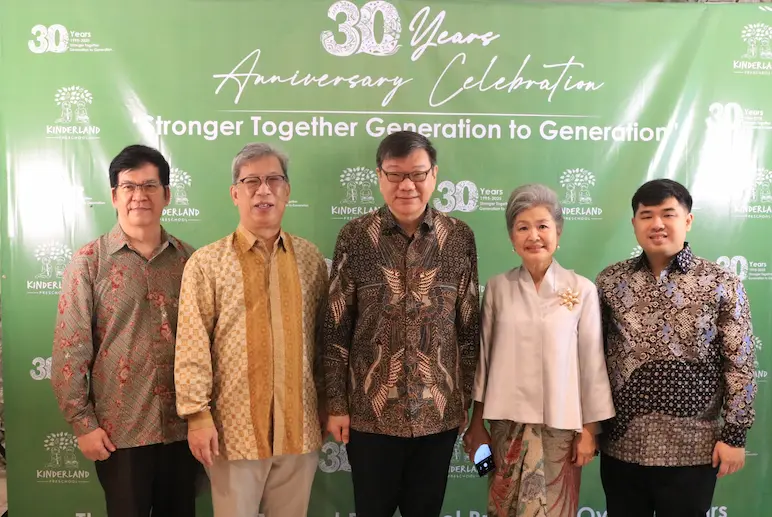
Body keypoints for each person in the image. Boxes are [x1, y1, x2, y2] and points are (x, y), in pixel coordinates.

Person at [323, 130, 481, 517]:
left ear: (434, 175)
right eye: (395, 174)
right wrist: (337, 404)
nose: (406, 185)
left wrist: (465, 401)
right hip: (369, 416)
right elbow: (336, 327)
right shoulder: (355, 237)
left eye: (417, 173)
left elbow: (468, 327)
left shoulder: (459, 237)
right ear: (379, 176)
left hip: (438, 415)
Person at [174, 143, 328, 517]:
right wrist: (197, 415)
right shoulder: (207, 263)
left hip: (299, 429)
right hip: (232, 434)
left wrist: (328, 404)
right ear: (235, 193)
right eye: (251, 181)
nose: (263, 190)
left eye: (274, 180)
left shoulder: (310, 259)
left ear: (287, 191)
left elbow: (324, 342)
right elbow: (192, 345)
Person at [51, 144, 198, 517]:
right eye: (129, 186)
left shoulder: (190, 261)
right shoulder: (89, 263)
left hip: (184, 429)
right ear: (115, 196)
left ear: (167, 194)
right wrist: (83, 424)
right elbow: (70, 351)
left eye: (150, 186)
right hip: (121, 433)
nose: (139, 196)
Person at [596, 179, 757, 517]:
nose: (657, 224)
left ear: (688, 220)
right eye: (647, 216)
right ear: (634, 223)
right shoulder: (610, 282)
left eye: (668, 214)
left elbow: (740, 364)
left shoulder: (721, 283)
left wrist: (735, 435)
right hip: (622, 446)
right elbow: (591, 359)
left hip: (693, 449)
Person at [463, 184, 615, 517]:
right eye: (523, 227)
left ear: (558, 232)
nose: (534, 236)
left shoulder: (581, 289)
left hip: (561, 430)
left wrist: (590, 430)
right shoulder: (498, 288)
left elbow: (592, 365)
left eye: (543, 226)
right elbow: (484, 361)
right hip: (506, 426)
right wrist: (476, 424)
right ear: (511, 237)